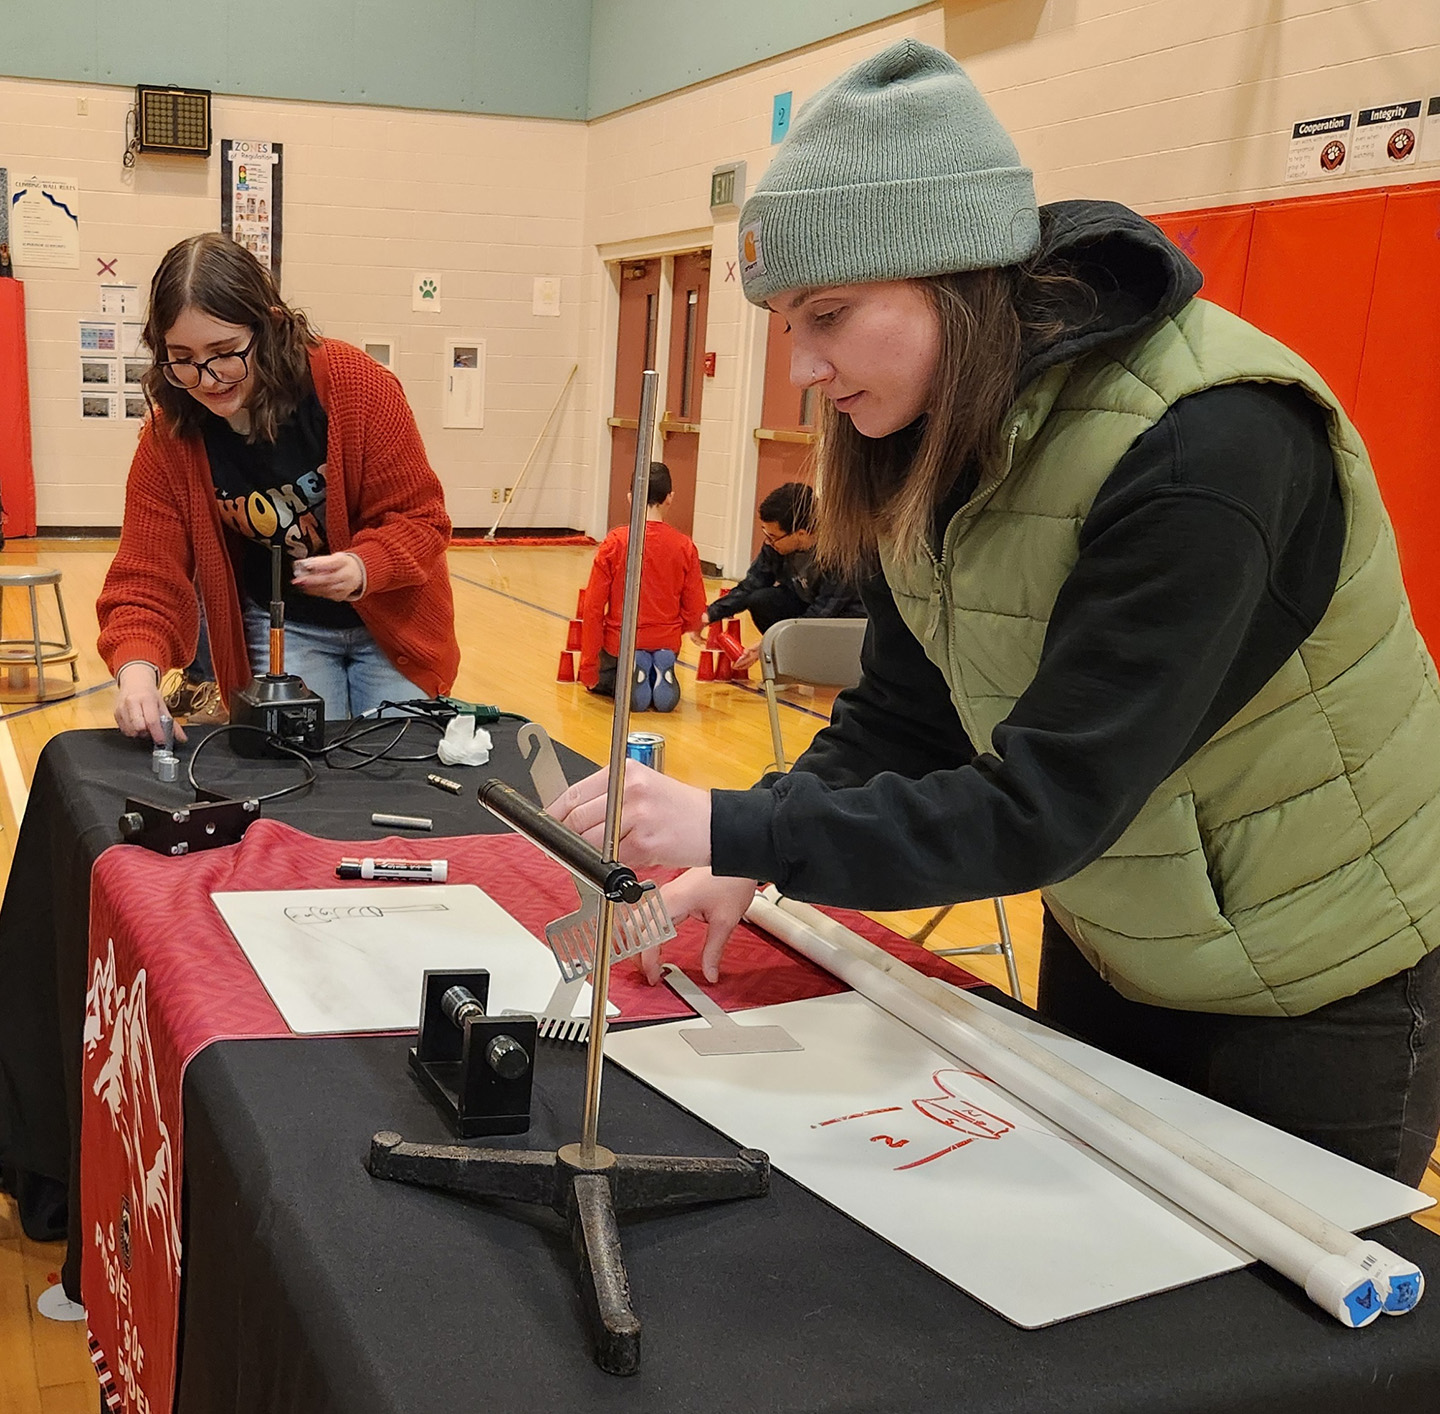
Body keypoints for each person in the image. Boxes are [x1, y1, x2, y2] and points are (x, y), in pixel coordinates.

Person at [553, 41, 1440, 1186]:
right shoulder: (930, 429)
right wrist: (763, 840)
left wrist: (740, 828)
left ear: (958, 276)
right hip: (1124, 933)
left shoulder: (1206, 446)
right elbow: (908, 714)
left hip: (1328, 976)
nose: (804, 365)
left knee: (1274, 1340)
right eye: (786, 323)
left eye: (829, 314)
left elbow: (1044, 802)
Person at [98, 233, 459, 738]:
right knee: (301, 773)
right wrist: (137, 673)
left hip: (391, 624)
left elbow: (421, 520)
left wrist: (362, 565)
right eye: (181, 357)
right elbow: (146, 575)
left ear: (268, 326)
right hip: (286, 633)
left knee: (398, 763)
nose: (206, 378)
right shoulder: (170, 437)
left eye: (225, 352)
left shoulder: (357, 385)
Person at [696, 481, 865, 671]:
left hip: (844, 620)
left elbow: (822, 614)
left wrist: (769, 643)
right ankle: (790, 665)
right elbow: (752, 585)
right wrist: (708, 615)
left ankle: (821, 667)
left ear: (800, 533)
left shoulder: (843, 553)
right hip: (807, 605)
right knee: (761, 599)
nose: (768, 542)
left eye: (773, 536)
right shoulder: (776, 546)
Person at [579, 462, 706, 712]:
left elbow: (593, 607)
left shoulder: (615, 542)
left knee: (602, 681)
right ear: (670, 498)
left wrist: (588, 667)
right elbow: (695, 607)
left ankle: (629, 677)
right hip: (666, 640)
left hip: (622, 641)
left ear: (630, 497)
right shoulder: (685, 546)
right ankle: (654, 669)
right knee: (657, 651)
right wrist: (692, 628)